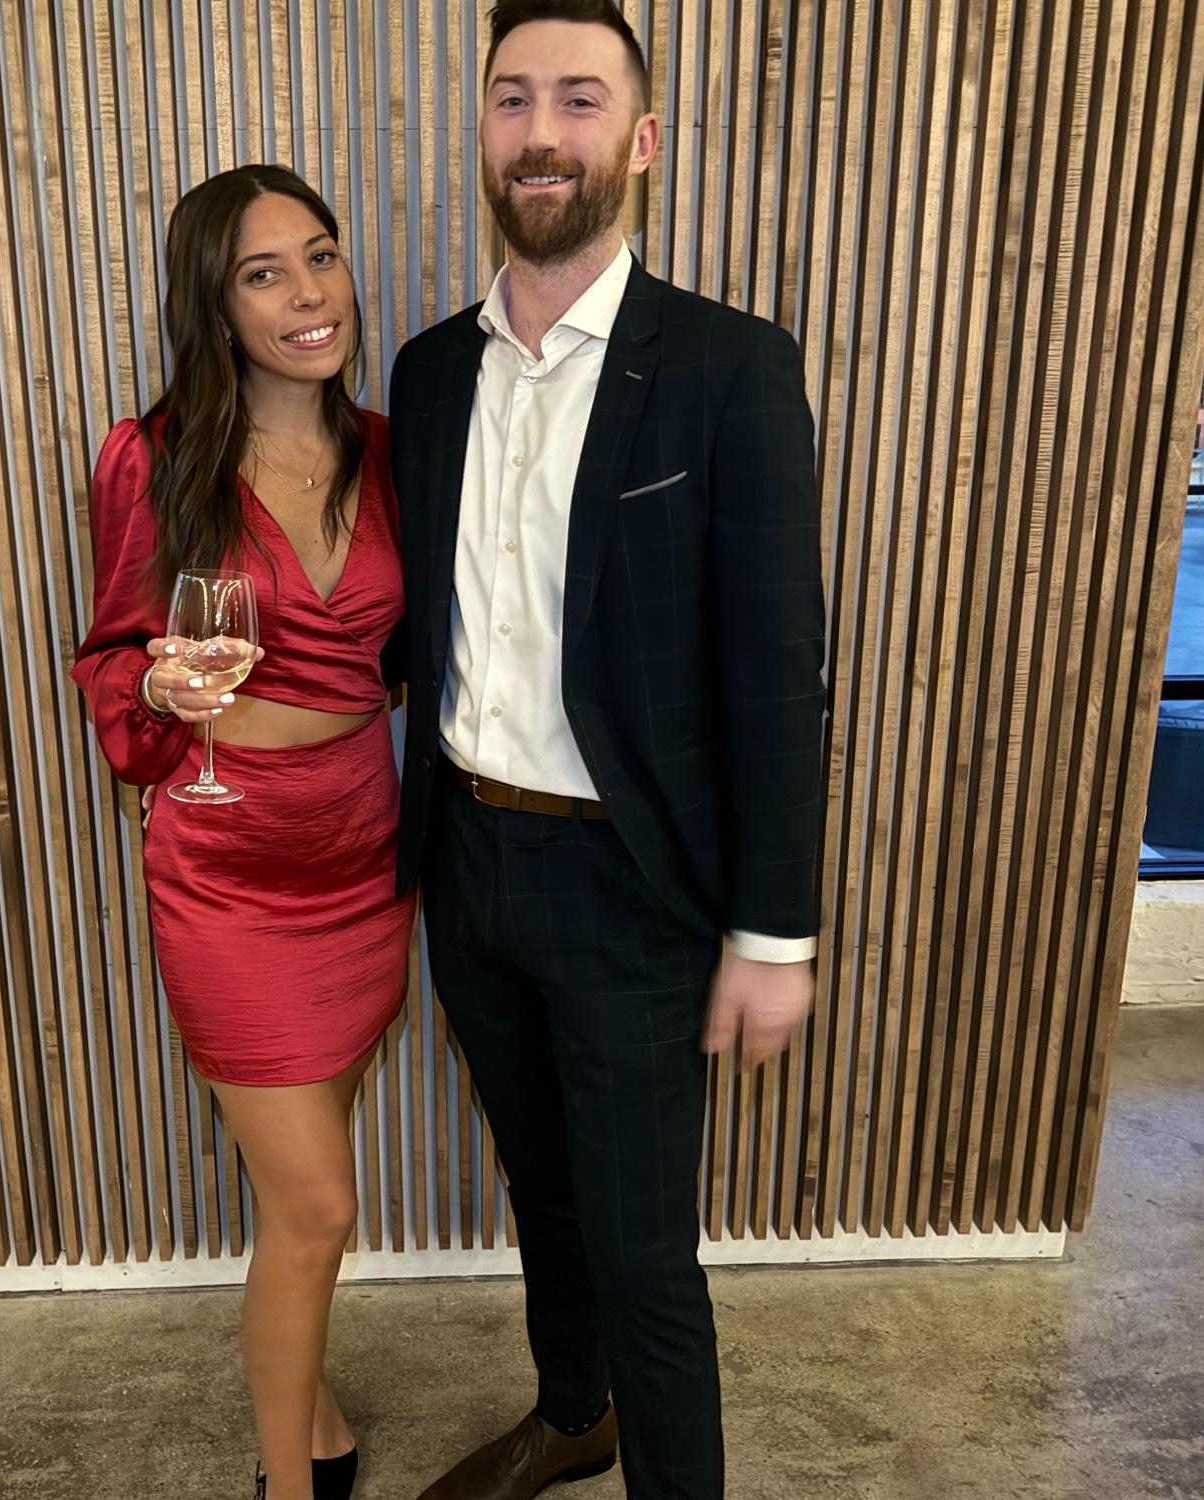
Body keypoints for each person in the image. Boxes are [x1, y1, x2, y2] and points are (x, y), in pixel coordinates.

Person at [388, 2, 829, 1496]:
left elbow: (775, 674)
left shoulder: (727, 367)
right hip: (469, 865)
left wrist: (772, 932)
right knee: (548, 1195)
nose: (541, 132)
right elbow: (416, 621)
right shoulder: (429, 373)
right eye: (513, 98)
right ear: (484, 132)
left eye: (579, 100)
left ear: (640, 141)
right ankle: (573, 1414)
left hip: (632, 889)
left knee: (646, 1258)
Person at [72, 163, 411, 1500]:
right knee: (321, 1206)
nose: (307, 293)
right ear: (215, 307)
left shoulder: (392, 449)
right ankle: (287, 1477)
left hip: (365, 857)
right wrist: (155, 690)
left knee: (293, 1202)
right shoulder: (152, 457)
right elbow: (114, 649)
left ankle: (316, 1420)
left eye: (320, 256)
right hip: (228, 872)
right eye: (263, 274)